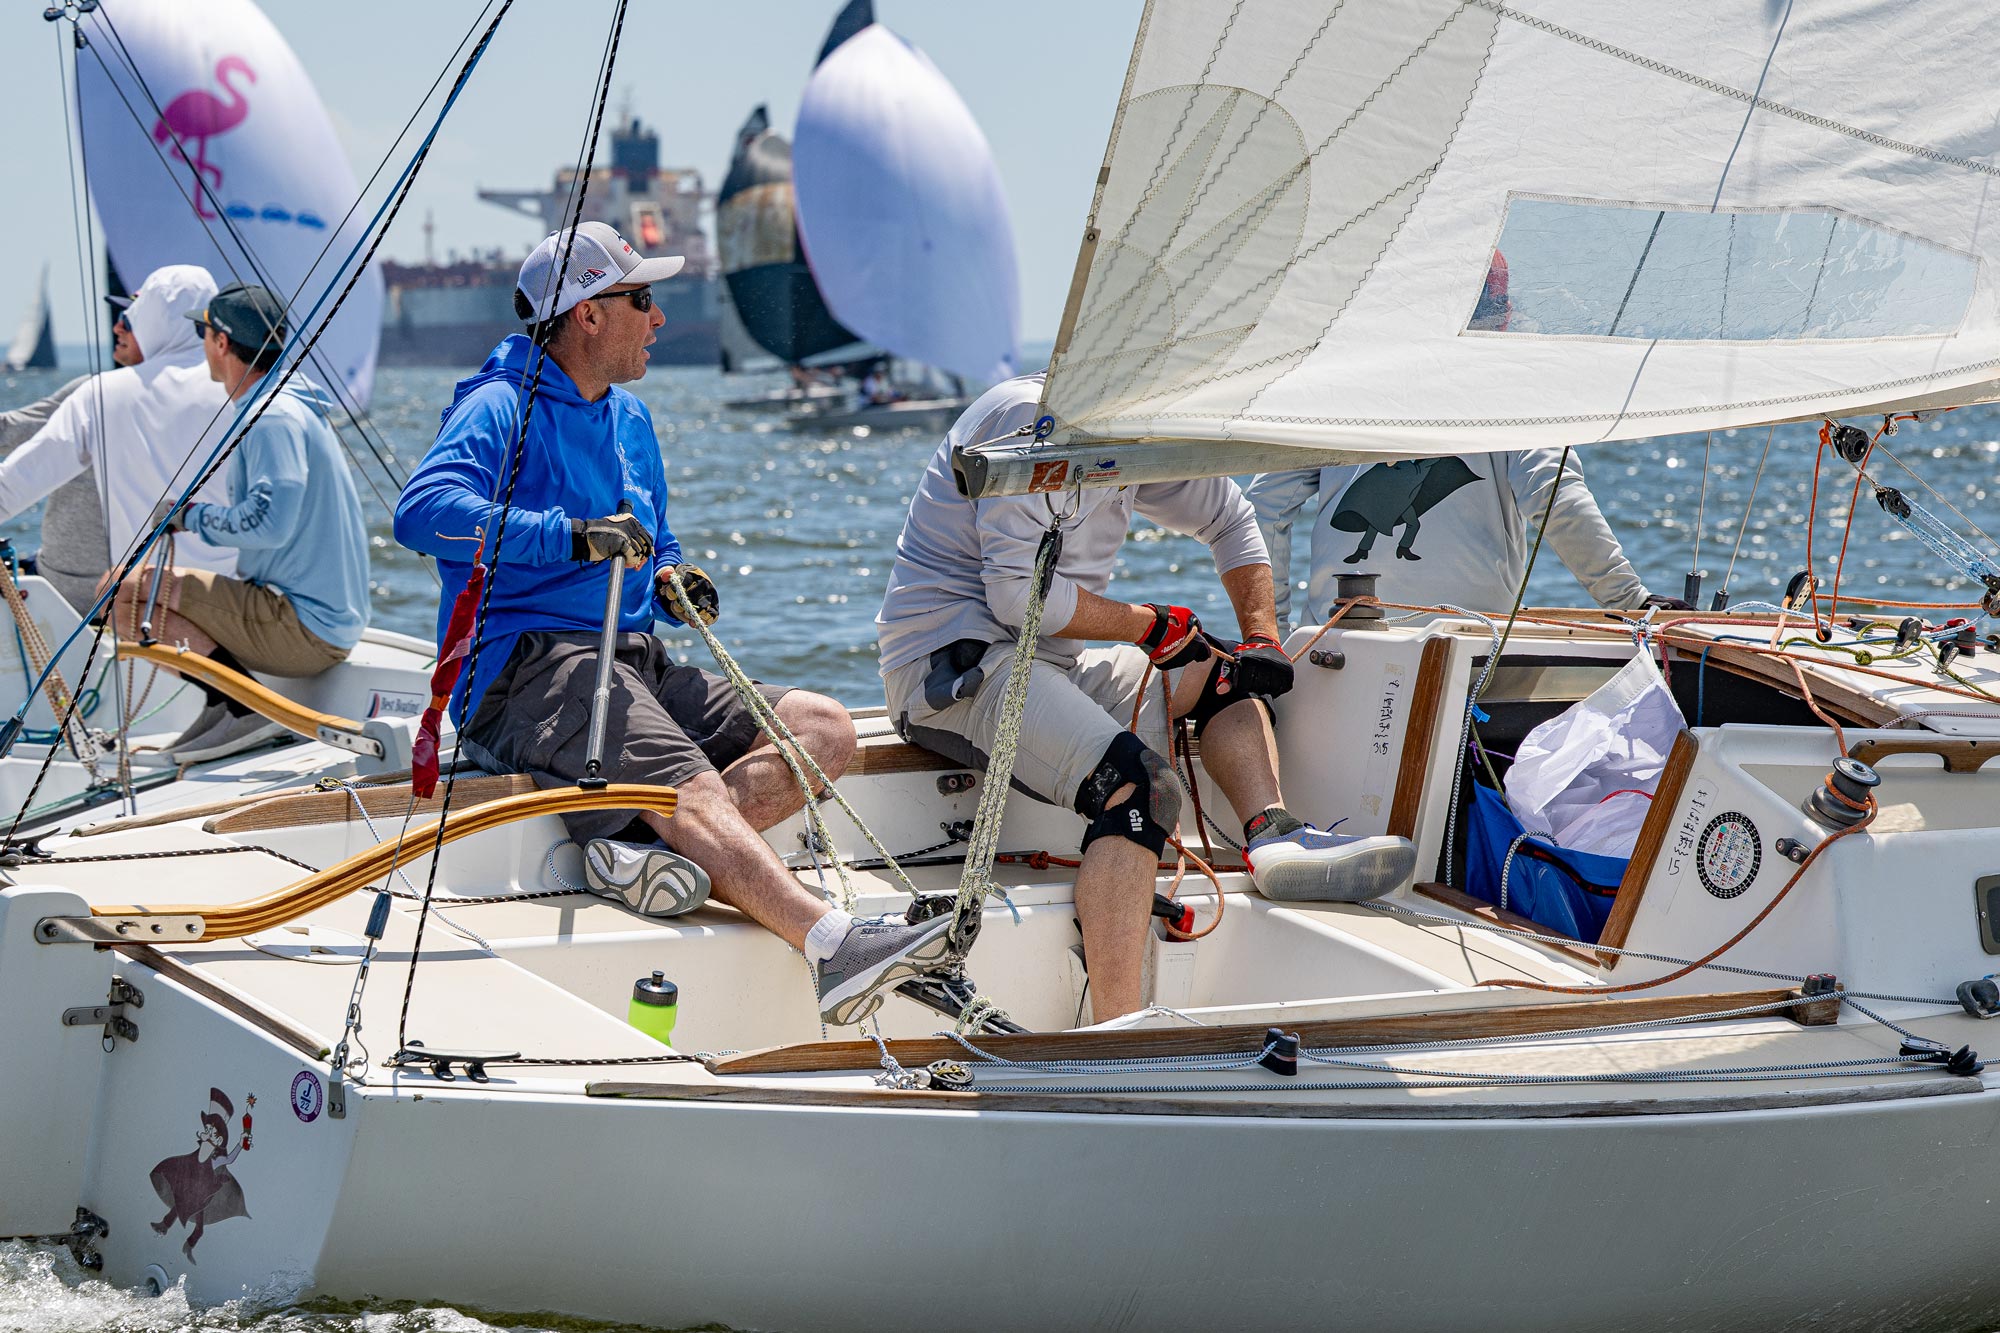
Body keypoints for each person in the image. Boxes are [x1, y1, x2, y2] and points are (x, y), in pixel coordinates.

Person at [395, 221, 955, 1029]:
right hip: (526, 671)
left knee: (826, 730)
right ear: (588, 314)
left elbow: (657, 541)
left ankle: (642, 856)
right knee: (685, 781)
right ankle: (833, 947)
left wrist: (671, 578)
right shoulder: (497, 408)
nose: (659, 319)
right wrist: (569, 535)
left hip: (633, 658)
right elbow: (422, 514)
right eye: (642, 299)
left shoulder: (632, 420)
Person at [878, 374, 1419, 1023]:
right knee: (1140, 784)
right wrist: (1150, 625)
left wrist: (1262, 638)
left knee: (1221, 670)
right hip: (952, 670)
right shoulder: (1032, 420)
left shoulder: (1134, 431)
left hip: (1047, 661)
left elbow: (1230, 519)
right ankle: (1118, 1030)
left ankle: (1272, 836)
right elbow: (1019, 601)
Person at [107, 282, 371, 763]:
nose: (204, 344)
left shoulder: (271, 418)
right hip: (316, 617)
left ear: (222, 343)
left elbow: (270, 525)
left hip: (304, 627)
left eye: (204, 333)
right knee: (135, 589)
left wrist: (189, 517)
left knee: (118, 595)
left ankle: (242, 710)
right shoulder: (284, 402)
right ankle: (223, 706)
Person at [0, 266, 236, 613]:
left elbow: (14, 484)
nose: (118, 326)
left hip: (128, 605)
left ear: (152, 319)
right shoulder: (250, 391)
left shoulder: (100, 395)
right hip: (230, 603)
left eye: (131, 315)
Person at [1245, 451, 1687, 632]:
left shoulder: (1340, 375)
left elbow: (1265, 504)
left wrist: (1271, 636)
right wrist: (1632, 602)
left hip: (1332, 640)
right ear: (1505, 314)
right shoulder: (1514, 381)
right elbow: (1555, 495)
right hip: (1471, 645)